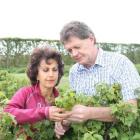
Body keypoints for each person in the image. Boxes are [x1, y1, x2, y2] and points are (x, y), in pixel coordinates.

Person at [55, 21, 140, 138]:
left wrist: (90, 113)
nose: (74, 54)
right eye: (69, 50)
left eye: (77, 47)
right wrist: (63, 121)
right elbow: (74, 109)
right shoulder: (74, 71)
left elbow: (131, 110)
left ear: (91, 39)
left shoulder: (120, 63)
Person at [4, 46, 70, 138]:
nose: (51, 74)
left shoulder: (61, 99)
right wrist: (44, 112)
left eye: (54, 70)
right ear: (36, 74)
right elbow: (7, 113)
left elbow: (62, 128)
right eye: (45, 70)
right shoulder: (25, 93)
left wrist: (64, 125)